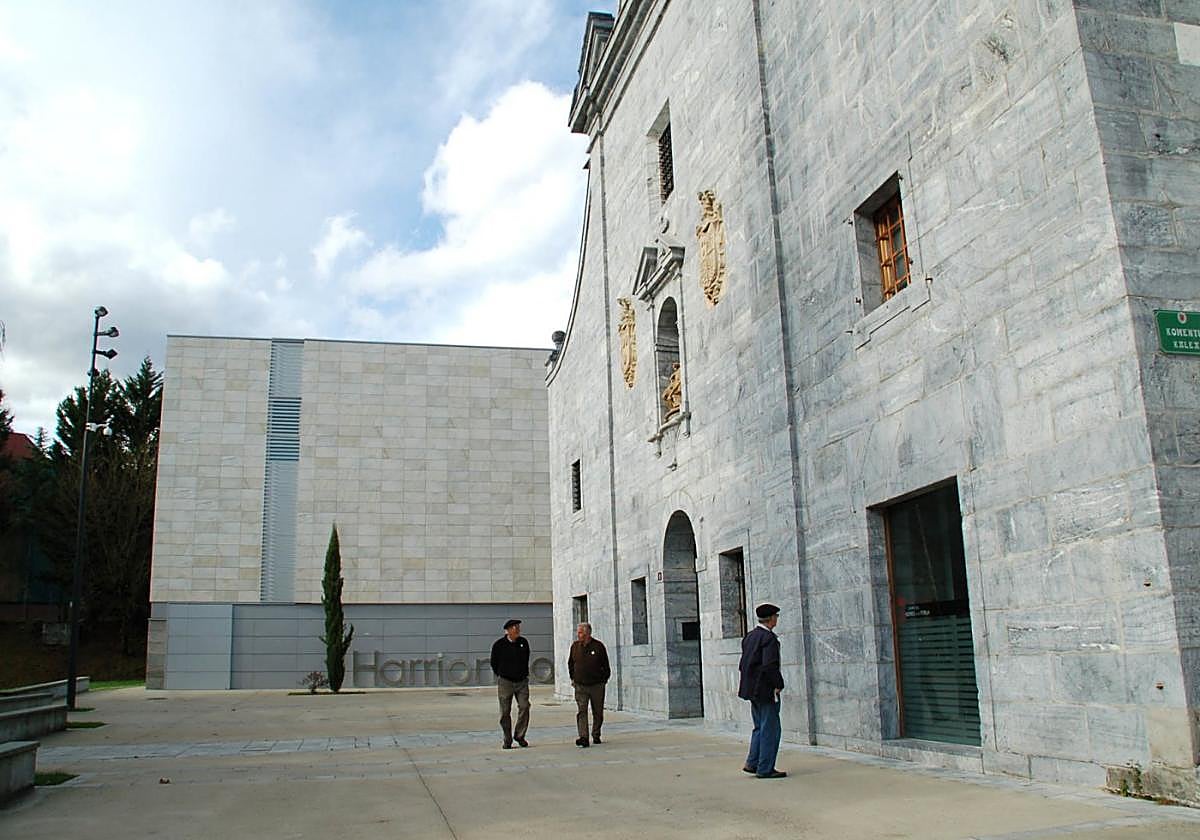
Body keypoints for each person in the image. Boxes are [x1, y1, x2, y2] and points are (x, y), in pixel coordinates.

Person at [737, 603, 786, 779]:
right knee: (770, 729)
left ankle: (752, 762)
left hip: (752, 689)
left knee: (759, 726)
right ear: (771, 618)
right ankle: (765, 767)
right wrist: (778, 684)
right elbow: (770, 665)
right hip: (765, 689)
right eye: (776, 617)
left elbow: (743, 664)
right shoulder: (768, 638)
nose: (776, 620)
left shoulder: (750, 636)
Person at [567, 622, 610, 747]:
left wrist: (603, 679)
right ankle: (583, 737)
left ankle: (596, 733)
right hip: (580, 685)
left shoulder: (598, 646)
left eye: (580, 632)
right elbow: (571, 663)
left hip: (597, 685)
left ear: (587, 634)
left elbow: (605, 665)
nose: (578, 635)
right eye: (578, 632)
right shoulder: (575, 646)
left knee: (598, 712)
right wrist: (573, 678)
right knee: (582, 711)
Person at [490, 618, 531, 749]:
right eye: (514, 628)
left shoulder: (523, 642)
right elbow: (494, 662)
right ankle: (507, 738)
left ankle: (519, 735)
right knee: (505, 711)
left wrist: (524, 673)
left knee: (525, 706)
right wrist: (501, 674)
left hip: (521, 681)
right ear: (507, 631)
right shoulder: (499, 645)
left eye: (518, 627)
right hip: (505, 682)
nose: (517, 630)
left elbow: (526, 658)